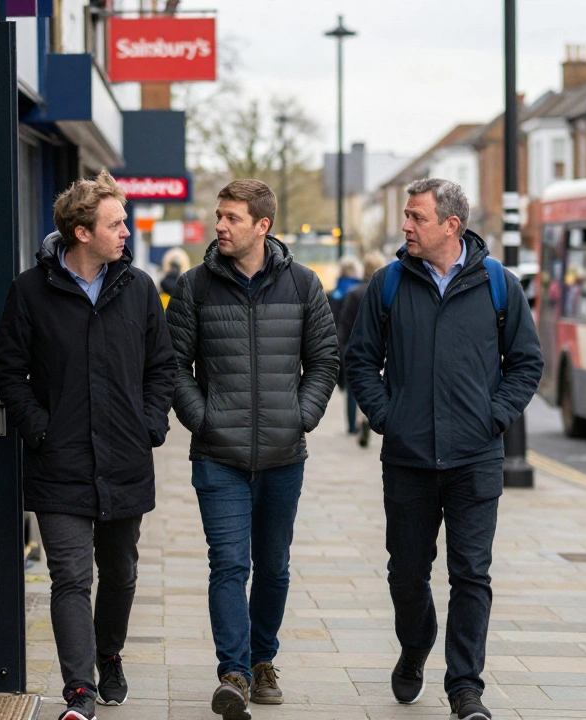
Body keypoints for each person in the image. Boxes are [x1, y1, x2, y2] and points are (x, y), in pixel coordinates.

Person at [345, 178, 543, 720]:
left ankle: (465, 688)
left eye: (415, 217)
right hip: (408, 460)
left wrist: (495, 417)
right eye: (406, 216)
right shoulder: (388, 283)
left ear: (451, 226)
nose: (405, 225)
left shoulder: (499, 285)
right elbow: (359, 359)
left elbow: (526, 362)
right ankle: (415, 646)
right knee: (406, 573)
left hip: (475, 460)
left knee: (471, 575)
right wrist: (387, 417)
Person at [0, 170, 176, 720]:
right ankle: (79, 689)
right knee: (70, 577)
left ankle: (109, 652)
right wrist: (40, 429)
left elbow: (162, 366)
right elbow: (8, 372)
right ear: (81, 232)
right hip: (59, 463)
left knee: (121, 573)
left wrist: (149, 424)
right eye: (116, 223)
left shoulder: (139, 288)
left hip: (124, 457)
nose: (126, 232)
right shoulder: (30, 291)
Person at [166, 179, 339, 720]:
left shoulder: (305, 285)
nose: (220, 225)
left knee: (274, 567)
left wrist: (301, 416)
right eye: (219, 216)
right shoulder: (195, 287)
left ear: (262, 226)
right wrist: (205, 420)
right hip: (218, 456)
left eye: (232, 218)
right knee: (228, 564)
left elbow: (326, 361)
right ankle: (234, 674)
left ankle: (263, 660)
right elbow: (173, 366)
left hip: (284, 457)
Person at [335, 251, 386, 437]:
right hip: (380, 347)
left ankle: (352, 425)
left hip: (354, 345)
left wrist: (342, 348)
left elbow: (344, 324)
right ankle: (370, 419)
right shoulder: (384, 292)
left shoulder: (354, 293)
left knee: (352, 390)